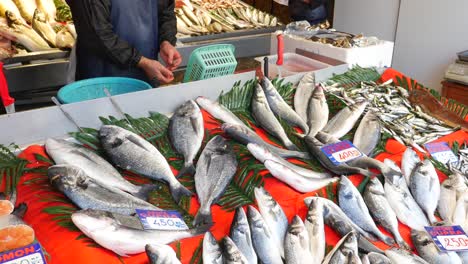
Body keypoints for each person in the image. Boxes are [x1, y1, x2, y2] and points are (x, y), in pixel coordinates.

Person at [68, 0, 182, 86]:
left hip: (146, 72)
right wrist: (142, 61)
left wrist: (166, 41)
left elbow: (166, 12)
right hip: (101, 76)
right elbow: (96, 33)